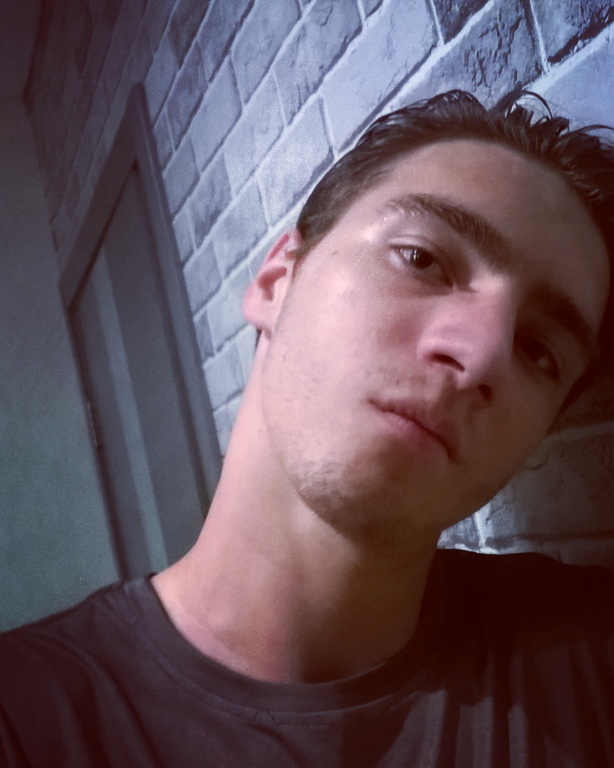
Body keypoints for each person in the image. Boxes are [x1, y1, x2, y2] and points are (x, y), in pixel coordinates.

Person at [1, 90, 613, 767]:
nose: (480, 357)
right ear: (276, 281)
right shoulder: (27, 716)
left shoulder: (586, 649)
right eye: (421, 259)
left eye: (540, 350)